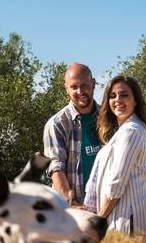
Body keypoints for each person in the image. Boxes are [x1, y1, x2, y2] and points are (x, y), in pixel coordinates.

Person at [83, 75, 146, 234]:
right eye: (112, 96)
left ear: (135, 100)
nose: (117, 99)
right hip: (123, 223)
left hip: (128, 223)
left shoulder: (131, 131)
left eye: (124, 95)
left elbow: (116, 183)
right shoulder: (126, 131)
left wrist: (99, 219)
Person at [43, 63, 103, 206]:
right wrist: (74, 206)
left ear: (93, 83)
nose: (80, 91)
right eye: (74, 87)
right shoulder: (57, 124)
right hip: (73, 211)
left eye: (84, 85)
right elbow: (56, 169)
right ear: (66, 89)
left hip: (107, 207)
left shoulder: (107, 118)